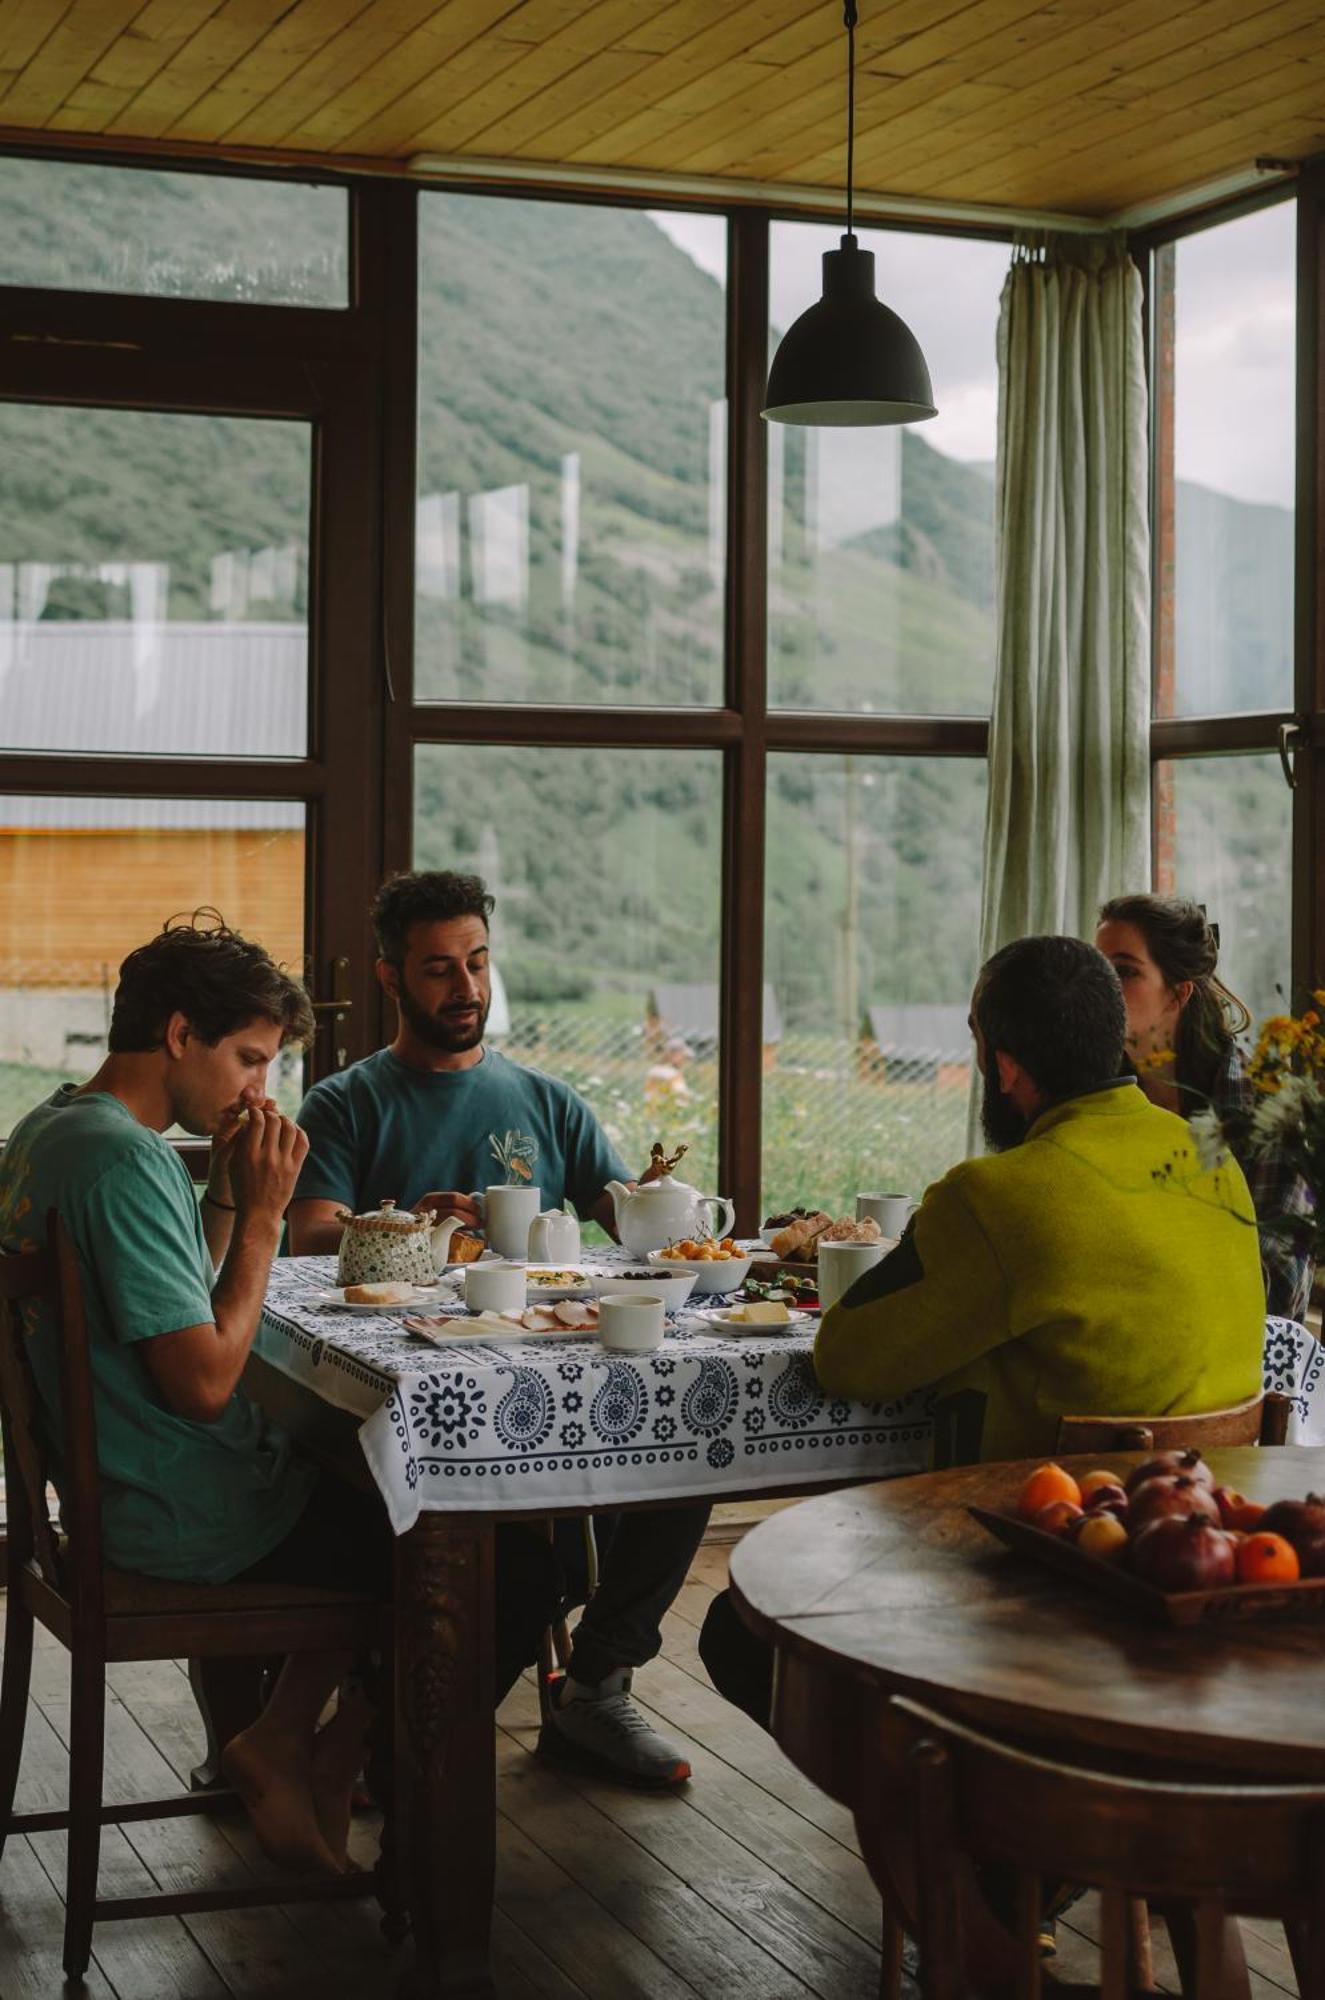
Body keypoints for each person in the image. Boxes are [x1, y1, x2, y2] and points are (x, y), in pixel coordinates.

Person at [0, 916, 548, 1878]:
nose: (260, 1089)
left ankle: (291, 1745)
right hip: (185, 1514)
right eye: (250, 1059)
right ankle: (328, 1765)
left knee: (384, 1490)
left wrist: (222, 1198)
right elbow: (207, 1383)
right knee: (499, 1562)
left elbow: (172, 1296)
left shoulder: (54, 1129)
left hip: (129, 1493)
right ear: (179, 1035)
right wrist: (261, 1218)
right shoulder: (123, 1160)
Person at [698, 935, 1266, 1729]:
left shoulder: (999, 1194)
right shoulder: (1210, 1158)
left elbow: (847, 1359)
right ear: (1116, 1038)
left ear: (1003, 1066)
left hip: (1041, 1567)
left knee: (737, 1632)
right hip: (1194, 1557)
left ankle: (942, 1806)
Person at [287, 870, 709, 1788]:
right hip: (410, 1390)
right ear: (392, 977)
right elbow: (310, 1232)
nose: (467, 987)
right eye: (439, 969)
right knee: (522, 1551)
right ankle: (389, 1736)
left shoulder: (548, 1101)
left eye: (477, 962)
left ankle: (594, 1685)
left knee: (695, 1446)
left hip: (553, 1372)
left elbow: (626, 1217)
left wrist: (673, 1214)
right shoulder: (346, 1103)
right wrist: (409, 1225)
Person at [1095, 893, 1314, 1322]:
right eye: (1098, 969)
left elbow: (1275, 1291)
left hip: (1243, 1374)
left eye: (1124, 971)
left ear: (1178, 993)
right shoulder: (1089, 1096)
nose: (1103, 987)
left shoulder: (1268, 1110)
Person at [645, 1036, 693, 1108]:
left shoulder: (655, 1070)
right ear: (672, 1055)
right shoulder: (671, 1073)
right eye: (682, 1056)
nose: (684, 1060)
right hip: (669, 1111)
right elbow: (681, 1094)